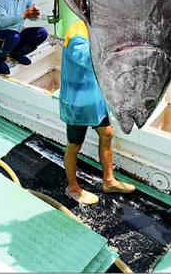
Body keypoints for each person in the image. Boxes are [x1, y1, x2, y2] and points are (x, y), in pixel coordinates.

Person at [59, 19, 135, 205]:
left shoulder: (99, 28)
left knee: (107, 133)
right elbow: (87, 58)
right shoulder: (76, 33)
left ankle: (109, 181)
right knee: (74, 146)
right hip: (77, 103)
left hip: (95, 99)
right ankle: (72, 187)